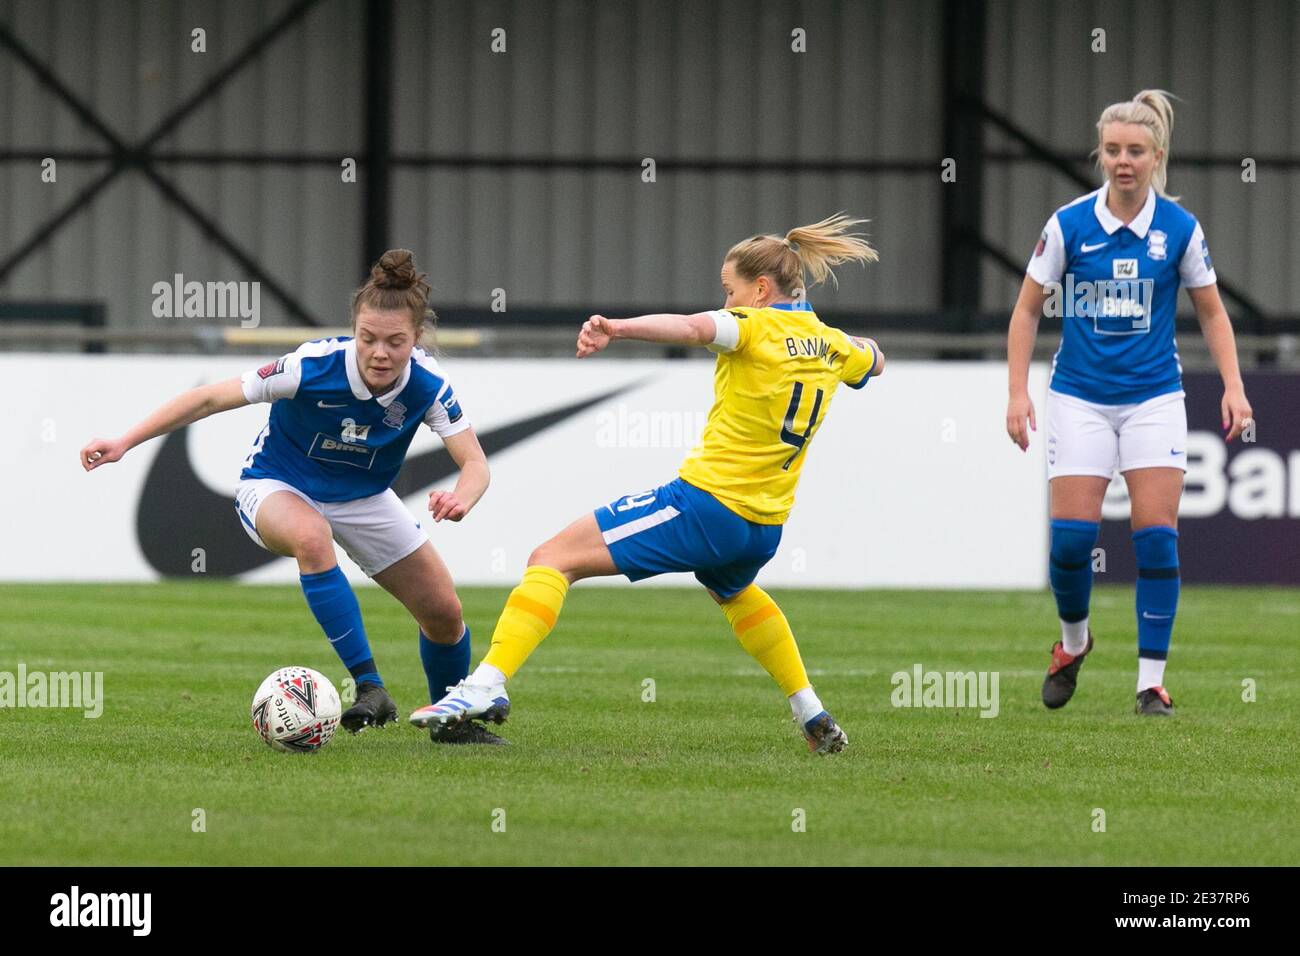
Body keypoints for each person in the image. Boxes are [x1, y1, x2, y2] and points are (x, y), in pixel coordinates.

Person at [409, 214, 884, 754]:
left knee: (551, 557)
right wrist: (845, 341)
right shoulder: (834, 345)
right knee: (733, 590)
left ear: (759, 290)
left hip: (706, 505)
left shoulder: (752, 326)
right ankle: (810, 711)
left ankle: (484, 685)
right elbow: (876, 362)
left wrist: (617, 327)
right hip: (764, 526)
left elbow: (690, 328)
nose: (725, 302)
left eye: (729, 291)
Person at [80, 249, 503, 744]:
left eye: (396, 341)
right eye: (368, 339)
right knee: (311, 535)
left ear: (416, 339)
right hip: (277, 484)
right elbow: (209, 398)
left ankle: (450, 725)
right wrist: (124, 441)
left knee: (444, 612)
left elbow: (475, 464)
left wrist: (462, 497)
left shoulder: (429, 386)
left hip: (363, 497)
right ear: (354, 332)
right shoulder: (311, 365)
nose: (380, 353)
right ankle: (369, 685)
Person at [1005, 91, 1253, 716]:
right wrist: (1016, 393)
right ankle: (1073, 643)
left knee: (1156, 540)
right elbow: (1028, 308)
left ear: (1156, 156)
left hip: (1153, 401)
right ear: (1101, 154)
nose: (1122, 161)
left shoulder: (1178, 230)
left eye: (1135, 151)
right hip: (1078, 400)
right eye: (1112, 150)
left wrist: (1234, 386)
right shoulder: (1069, 225)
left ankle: (1150, 682)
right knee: (1070, 543)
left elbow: (1213, 313)